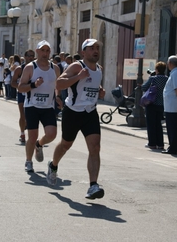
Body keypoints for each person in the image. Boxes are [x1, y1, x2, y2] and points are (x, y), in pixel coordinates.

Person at [46, 38, 106, 200]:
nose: (95, 51)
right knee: (66, 144)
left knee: (95, 148)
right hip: (73, 112)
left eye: (97, 48)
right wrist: (78, 77)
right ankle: (53, 165)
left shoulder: (99, 69)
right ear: (83, 52)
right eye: (91, 48)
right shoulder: (77, 66)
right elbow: (59, 84)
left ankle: (93, 185)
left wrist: (100, 91)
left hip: (90, 113)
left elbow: (91, 86)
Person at [18, 40, 62, 173]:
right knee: (32, 136)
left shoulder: (55, 68)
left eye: (47, 50)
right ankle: (28, 161)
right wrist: (33, 85)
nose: (45, 53)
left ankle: (39, 144)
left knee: (52, 134)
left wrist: (58, 97)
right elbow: (20, 88)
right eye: (42, 50)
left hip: (48, 106)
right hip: (32, 106)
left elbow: (57, 85)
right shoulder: (30, 68)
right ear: (37, 51)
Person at [162, 55, 177, 155]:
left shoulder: (176, 74)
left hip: (173, 105)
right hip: (174, 105)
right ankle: (174, 147)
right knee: (175, 128)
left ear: (171, 63)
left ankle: (173, 147)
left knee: (172, 128)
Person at [142, 61, 168, 150]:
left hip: (151, 103)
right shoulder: (167, 79)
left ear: (157, 69)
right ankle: (160, 143)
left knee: (151, 124)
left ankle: (152, 143)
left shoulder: (153, 78)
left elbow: (144, 87)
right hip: (161, 104)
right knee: (158, 124)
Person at [11, 49, 35, 143]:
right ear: (25, 57)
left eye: (32, 56)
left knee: (32, 116)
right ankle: (22, 133)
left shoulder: (37, 68)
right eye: (29, 55)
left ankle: (32, 133)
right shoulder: (19, 69)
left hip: (33, 95)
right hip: (22, 94)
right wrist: (21, 87)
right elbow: (12, 82)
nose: (30, 57)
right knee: (23, 115)